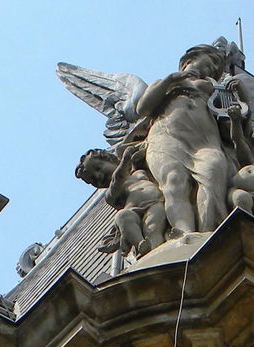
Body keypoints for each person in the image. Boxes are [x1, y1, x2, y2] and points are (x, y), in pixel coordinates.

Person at [130, 44, 240, 236]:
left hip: (205, 141)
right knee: (174, 180)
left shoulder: (216, 88)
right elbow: (143, 109)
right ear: (189, 60)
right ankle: (184, 233)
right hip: (166, 138)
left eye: (219, 66)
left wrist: (238, 99)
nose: (215, 68)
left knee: (213, 171)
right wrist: (171, 81)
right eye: (213, 61)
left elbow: (233, 119)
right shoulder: (165, 83)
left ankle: (208, 233)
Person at [76, 145, 168, 258]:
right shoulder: (110, 193)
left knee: (153, 228)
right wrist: (125, 160)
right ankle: (140, 243)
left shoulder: (138, 172)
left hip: (155, 203)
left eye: (98, 168)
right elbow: (118, 178)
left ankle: (156, 252)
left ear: (110, 159)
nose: (98, 175)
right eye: (94, 179)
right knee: (122, 216)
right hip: (133, 211)